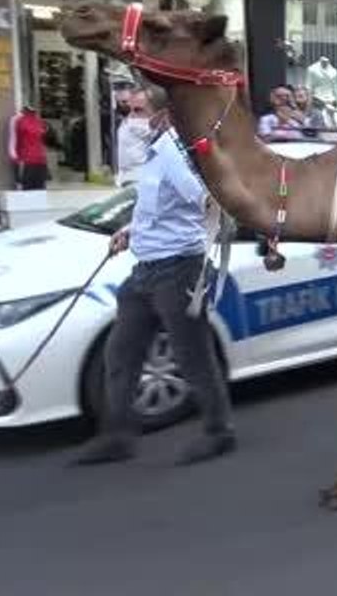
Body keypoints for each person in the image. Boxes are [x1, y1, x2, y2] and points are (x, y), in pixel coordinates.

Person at [73, 85, 236, 467]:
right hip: (146, 271)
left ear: (163, 115)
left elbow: (206, 201)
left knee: (193, 355)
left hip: (178, 270)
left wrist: (207, 238)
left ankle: (219, 431)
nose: (131, 117)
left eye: (139, 111)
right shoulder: (155, 152)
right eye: (130, 109)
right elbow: (158, 205)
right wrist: (132, 230)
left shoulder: (174, 154)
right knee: (120, 352)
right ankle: (117, 436)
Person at [7, 105, 50, 190]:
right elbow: (13, 139)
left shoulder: (38, 121)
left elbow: (40, 141)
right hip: (27, 160)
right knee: (28, 188)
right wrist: (14, 156)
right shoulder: (17, 120)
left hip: (38, 160)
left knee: (38, 188)